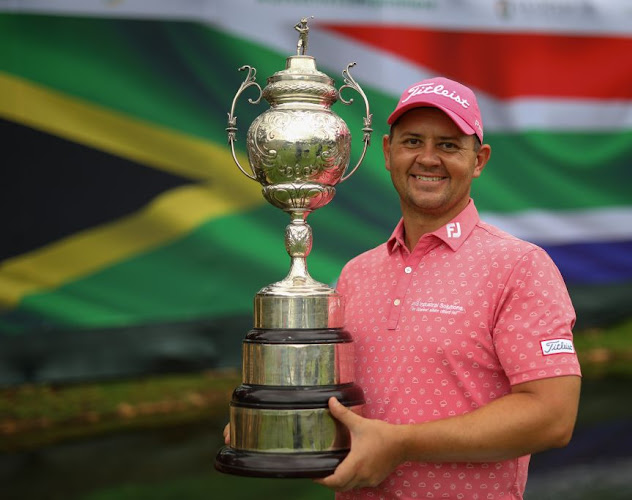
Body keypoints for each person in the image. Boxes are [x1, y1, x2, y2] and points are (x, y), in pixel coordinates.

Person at [226, 76, 581, 499]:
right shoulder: (357, 273)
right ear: (388, 152)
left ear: (479, 159)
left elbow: (552, 416)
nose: (427, 158)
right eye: (413, 142)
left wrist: (402, 444)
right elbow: (340, 405)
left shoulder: (519, 266)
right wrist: (275, 425)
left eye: (448, 145)